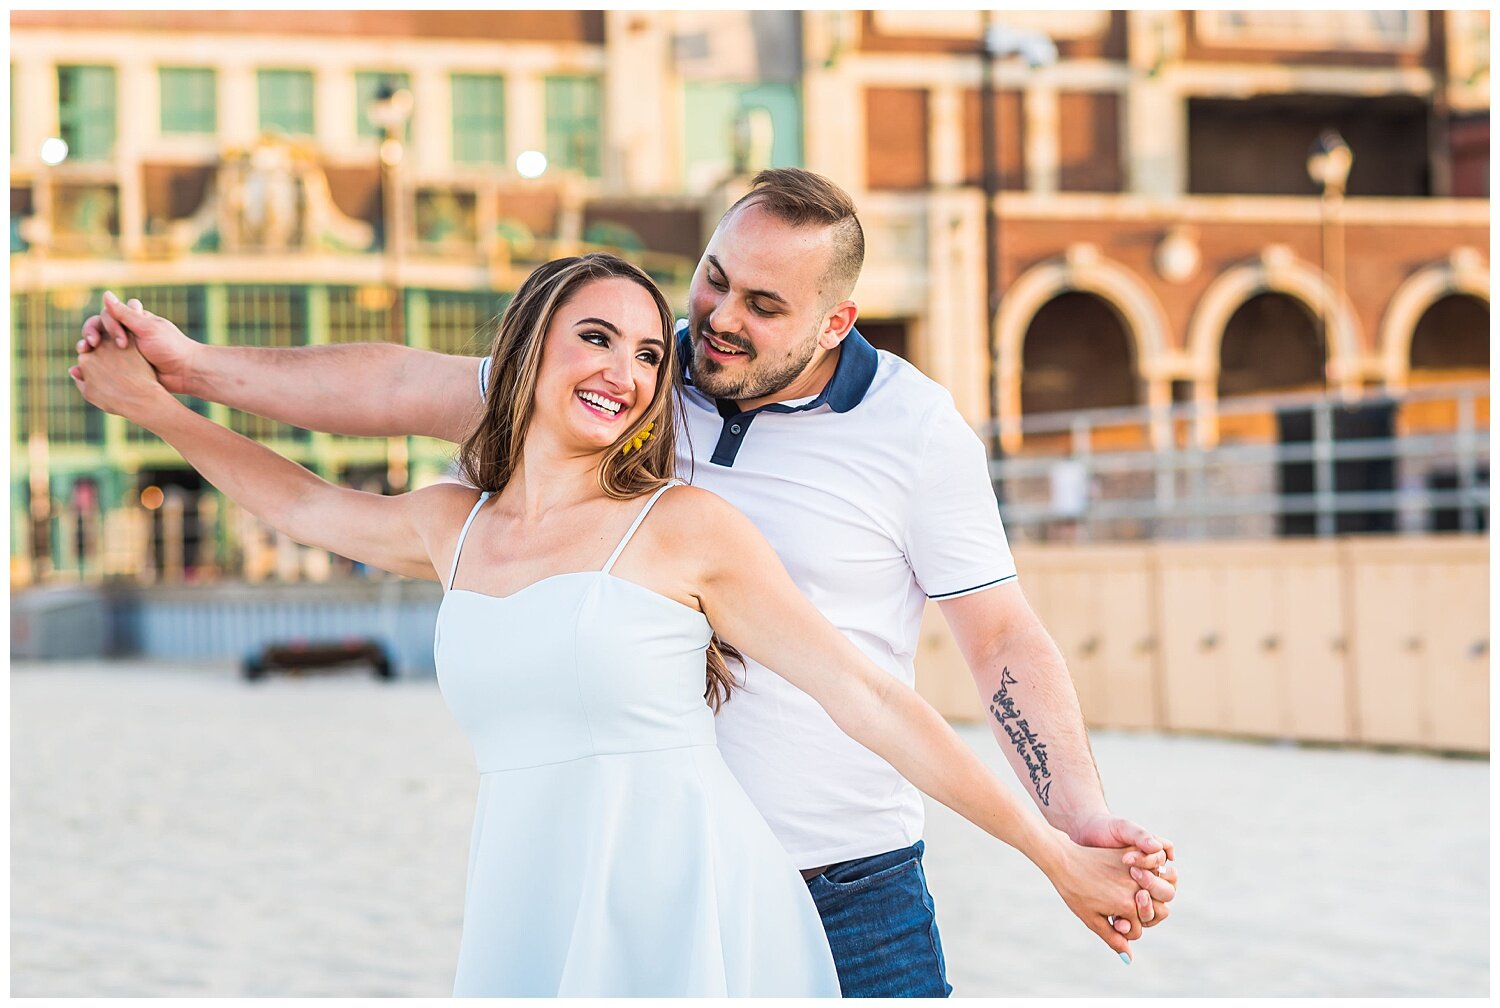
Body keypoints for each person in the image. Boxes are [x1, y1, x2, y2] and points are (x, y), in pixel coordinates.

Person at [79, 169, 1177, 996]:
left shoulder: (905, 433)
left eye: (762, 305)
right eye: (712, 281)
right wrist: (184, 374)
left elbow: (977, 652)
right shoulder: (617, 395)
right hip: (574, 886)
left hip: (849, 881)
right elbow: (381, 405)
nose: (717, 323)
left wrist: (1065, 826)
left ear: (837, 322)